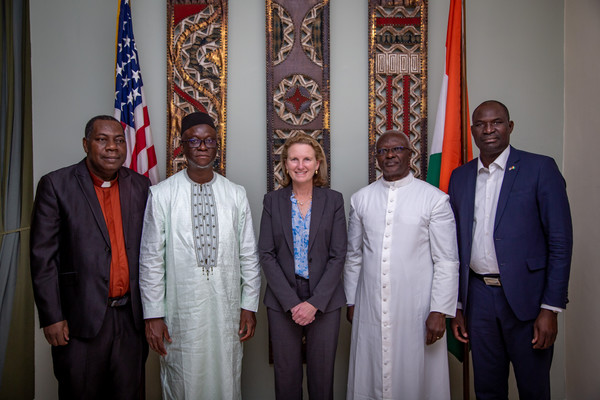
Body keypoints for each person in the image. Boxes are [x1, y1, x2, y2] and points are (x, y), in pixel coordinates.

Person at [448, 100, 573, 399]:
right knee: (488, 389)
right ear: (472, 131)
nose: (489, 129)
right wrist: (459, 305)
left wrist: (550, 308)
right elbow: (454, 244)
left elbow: (560, 241)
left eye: (497, 122)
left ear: (510, 126)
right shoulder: (460, 177)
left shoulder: (540, 168)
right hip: (478, 299)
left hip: (528, 301)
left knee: (534, 389)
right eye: (481, 124)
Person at [139, 111, 261, 399]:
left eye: (209, 140)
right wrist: (153, 315)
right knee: (183, 378)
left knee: (226, 376)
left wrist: (249, 305)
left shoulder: (236, 195)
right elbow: (151, 260)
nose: (203, 146)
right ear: (182, 146)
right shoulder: (162, 195)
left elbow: (248, 256)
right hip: (180, 313)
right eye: (194, 140)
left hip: (226, 308)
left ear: (217, 146)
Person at [30, 115, 151, 399]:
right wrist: (52, 317)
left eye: (119, 140)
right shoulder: (56, 185)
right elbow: (42, 258)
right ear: (86, 144)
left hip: (130, 320)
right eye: (102, 139)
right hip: (78, 321)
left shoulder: (141, 186)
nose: (112, 147)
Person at [344, 130, 459, 400]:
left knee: (416, 378)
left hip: (417, 310)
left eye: (397, 149)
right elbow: (354, 255)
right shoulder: (361, 199)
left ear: (411, 154)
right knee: (371, 373)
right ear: (376, 158)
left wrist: (439, 310)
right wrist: (352, 301)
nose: (390, 155)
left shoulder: (434, 199)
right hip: (370, 305)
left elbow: (446, 260)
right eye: (383, 151)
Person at [258, 133, 347, 400]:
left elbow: (338, 255)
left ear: (318, 164)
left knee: (322, 380)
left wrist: (314, 303)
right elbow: (266, 253)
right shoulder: (272, 201)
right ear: (285, 165)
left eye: (307, 159)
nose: (300, 165)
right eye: (294, 159)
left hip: (325, 301)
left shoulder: (334, 201)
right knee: (286, 380)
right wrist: (293, 303)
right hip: (283, 301)